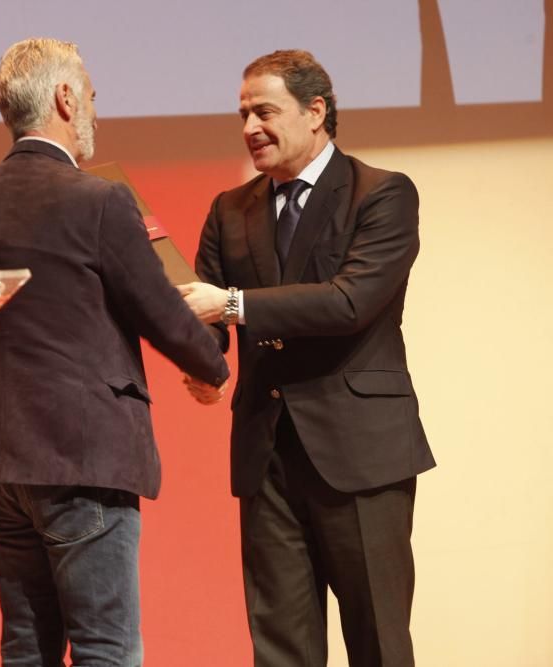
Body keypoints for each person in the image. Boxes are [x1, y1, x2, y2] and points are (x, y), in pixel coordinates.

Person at [0, 37, 229, 667]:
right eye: (90, 94)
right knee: (105, 649)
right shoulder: (100, 199)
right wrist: (212, 367)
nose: (94, 107)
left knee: (25, 649)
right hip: (79, 459)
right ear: (65, 98)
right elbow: (159, 309)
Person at [178, 49, 435, 666]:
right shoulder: (228, 209)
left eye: (264, 111)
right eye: (241, 114)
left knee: (378, 642)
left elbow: (349, 302)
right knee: (281, 649)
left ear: (315, 110)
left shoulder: (382, 195)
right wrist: (201, 361)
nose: (249, 128)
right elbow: (206, 314)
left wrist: (230, 307)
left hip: (361, 456)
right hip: (266, 457)